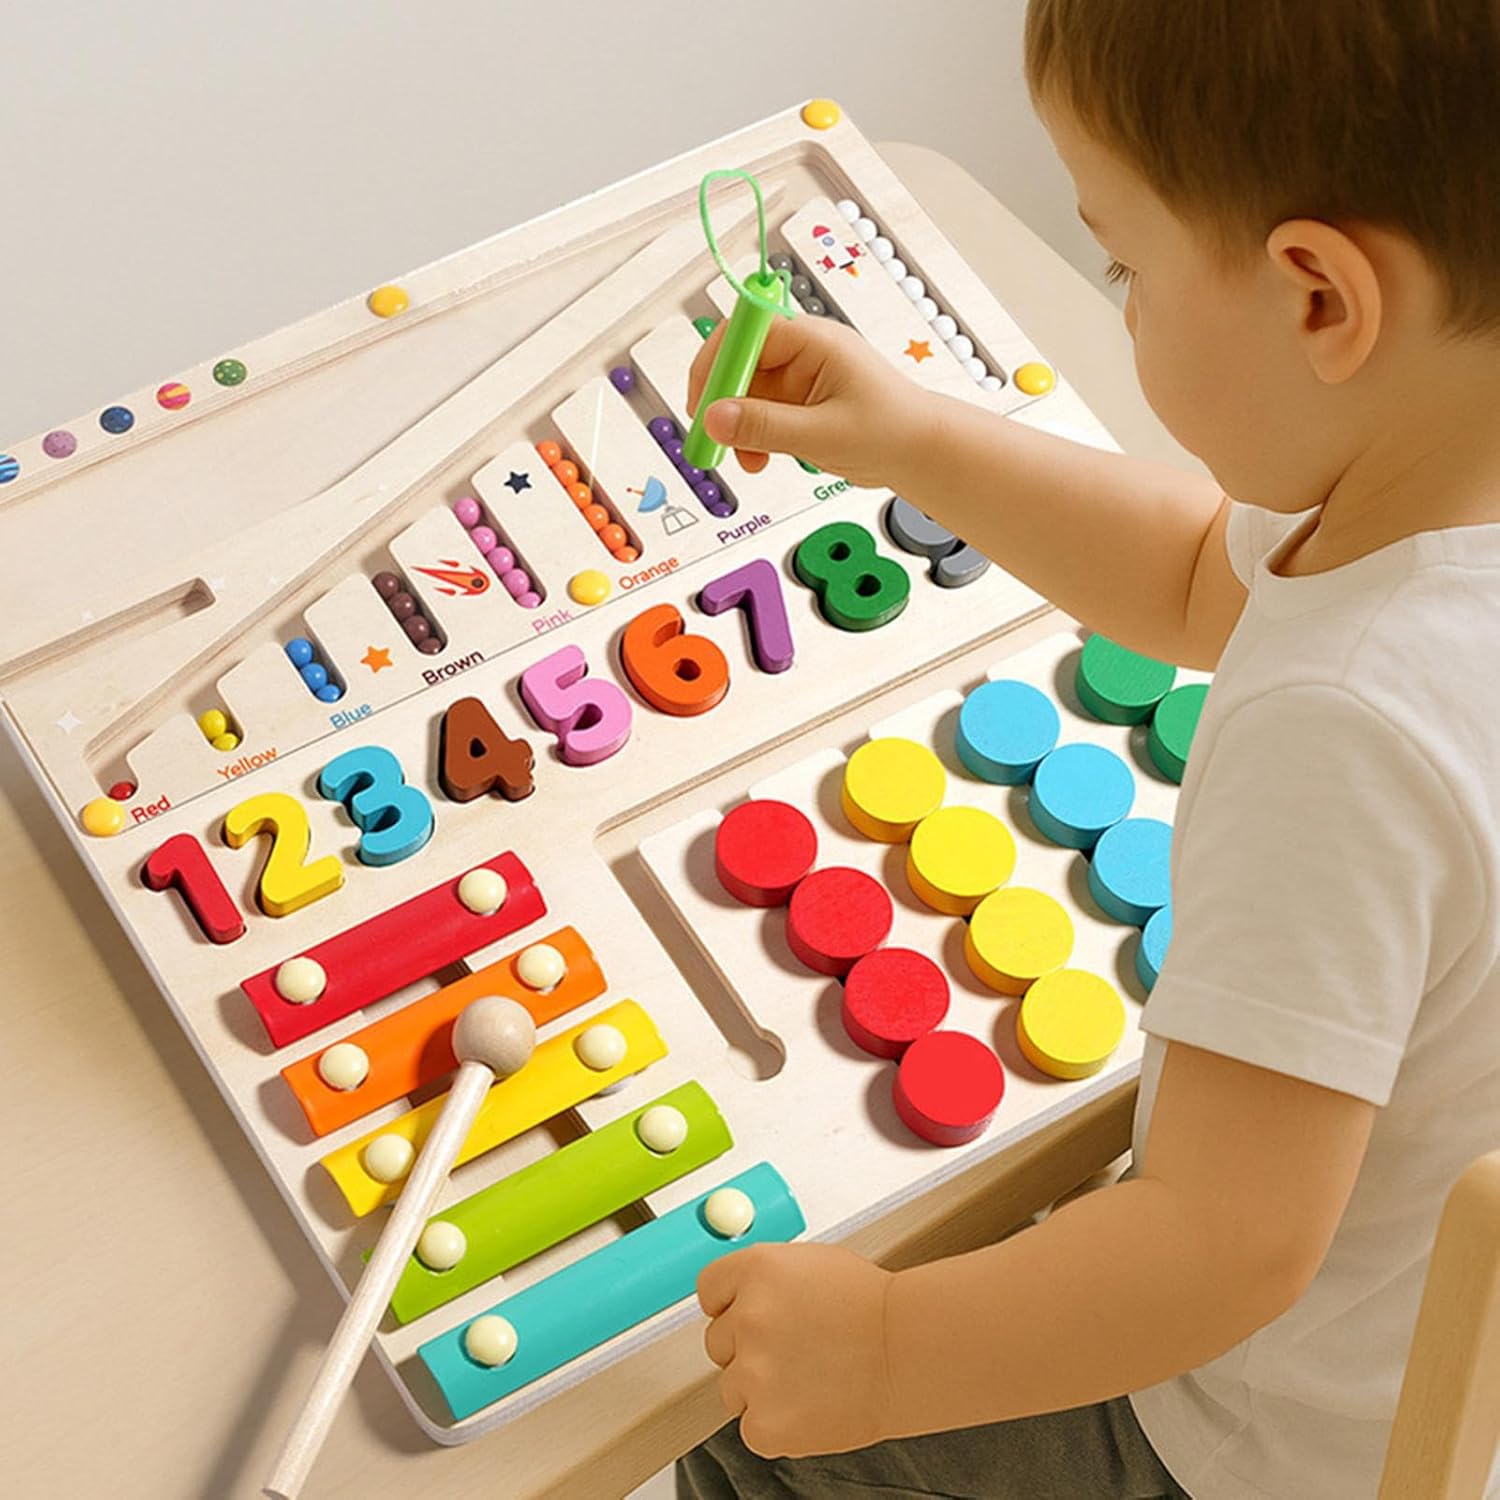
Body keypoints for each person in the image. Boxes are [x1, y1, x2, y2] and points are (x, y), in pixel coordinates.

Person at [676, 2, 1500, 1496]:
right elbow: (1199, 573)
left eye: (1125, 266)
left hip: (1255, 1445)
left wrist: (884, 1350)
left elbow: (1221, 1244)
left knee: (745, 1445)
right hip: (1427, 1350)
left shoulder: (1353, 719)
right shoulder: (1435, 488)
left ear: (1320, 298)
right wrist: (922, 439)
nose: (1120, 303)